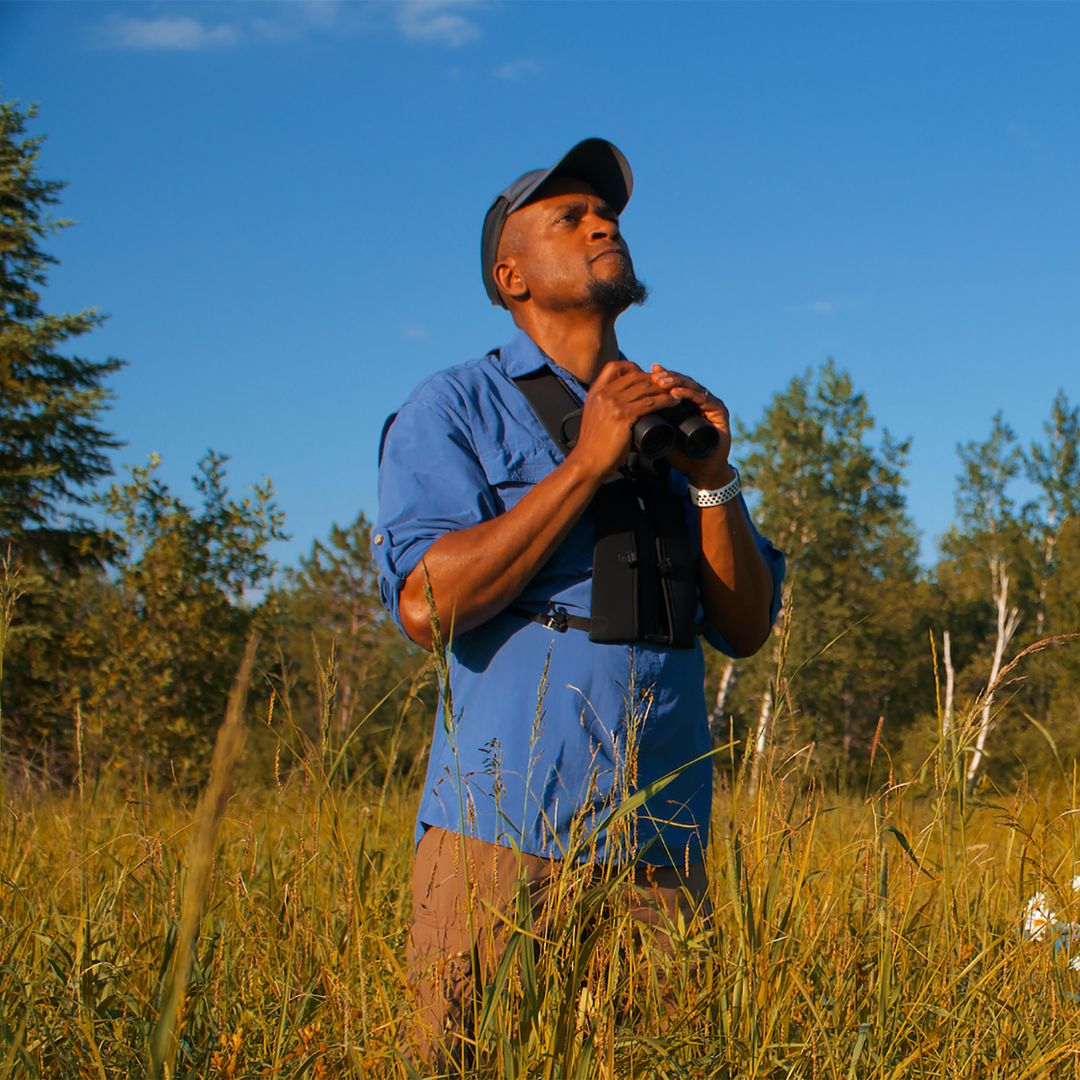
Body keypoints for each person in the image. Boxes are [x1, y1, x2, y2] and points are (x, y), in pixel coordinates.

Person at [372, 137, 785, 1064]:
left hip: (660, 839)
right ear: (511, 275)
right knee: (460, 1060)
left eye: (608, 215)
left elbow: (746, 625)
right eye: (570, 217)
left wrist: (713, 477)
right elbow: (428, 606)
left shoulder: (670, 415)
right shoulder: (455, 407)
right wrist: (587, 462)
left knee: (660, 1062)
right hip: (503, 829)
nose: (602, 225)